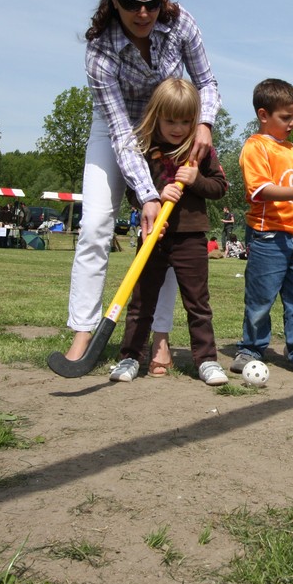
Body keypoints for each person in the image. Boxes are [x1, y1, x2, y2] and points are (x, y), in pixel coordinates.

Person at [57, 0, 221, 372]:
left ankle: (160, 338)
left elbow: (206, 81)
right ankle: (83, 333)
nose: (143, 13)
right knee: (96, 225)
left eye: (152, 3)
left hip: (171, 129)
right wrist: (147, 195)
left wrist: (204, 123)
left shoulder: (181, 23)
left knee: (168, 233)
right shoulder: (100, 50)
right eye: (132, 3)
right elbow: (121, 133)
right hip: (120, 130)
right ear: (114, 0)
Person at [107, 78, 229, 384]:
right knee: (141, 302)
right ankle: (130, 357)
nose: (178, 128)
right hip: (154, 237)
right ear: (156, 116)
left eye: (186, 121)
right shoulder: (145, 148)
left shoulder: (200, 150)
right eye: (170, 120)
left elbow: (219, 187)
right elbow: (133, 193)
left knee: (198, 303)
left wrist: (196, 180)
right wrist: (156, 194)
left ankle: (207, 360)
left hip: (191, 237)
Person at [232, 78, 293, 379]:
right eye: (286, 117)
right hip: (267, 235)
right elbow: (260, 190)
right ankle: (251, 349)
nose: (292, 123)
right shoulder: (256, 146)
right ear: (263, 115)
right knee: (260, 300)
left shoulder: (292, 149)